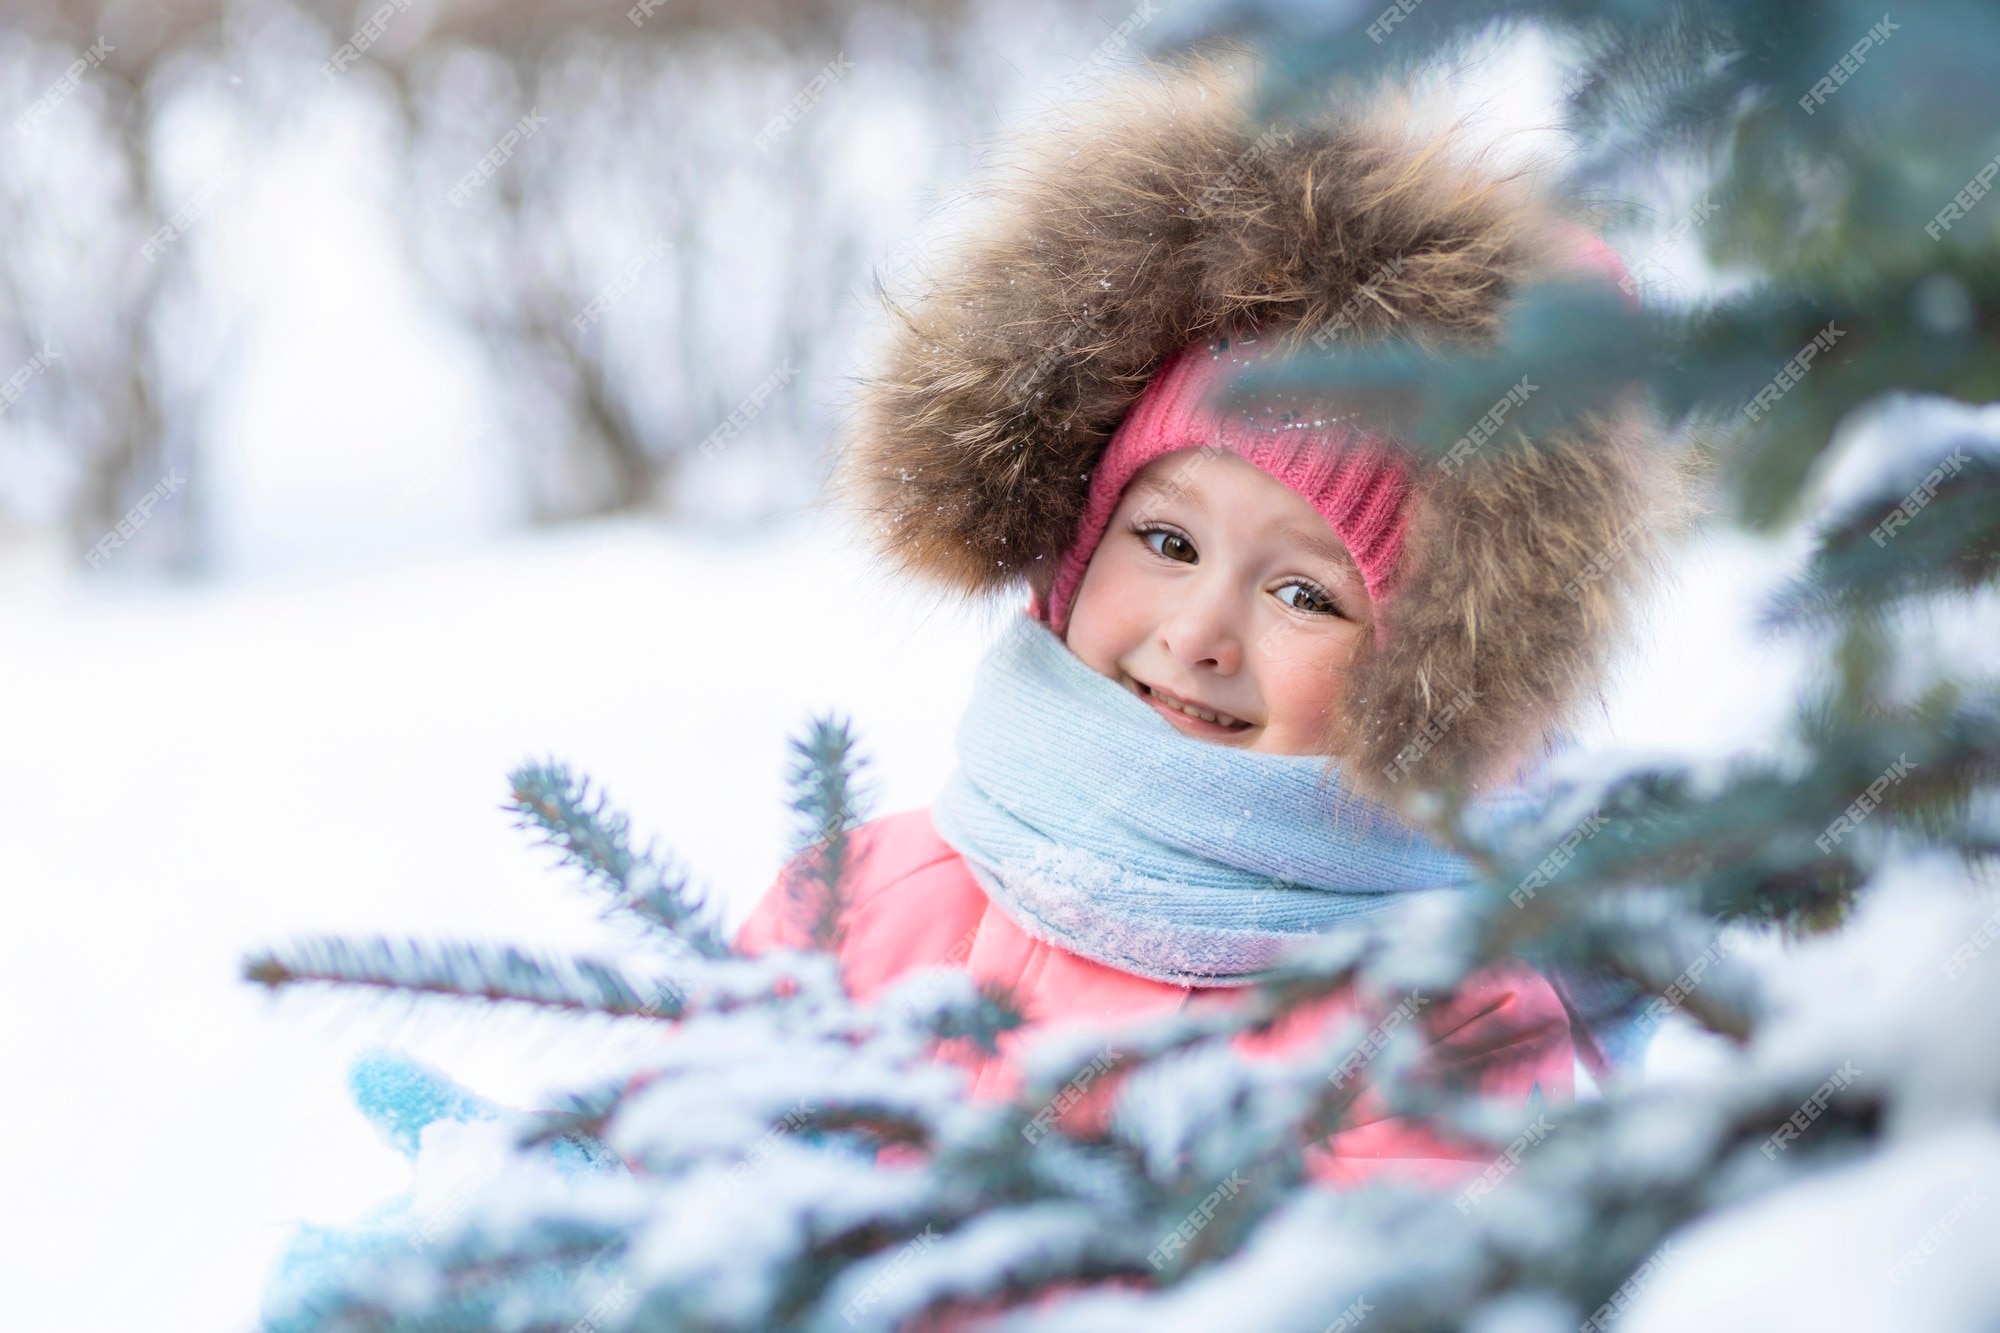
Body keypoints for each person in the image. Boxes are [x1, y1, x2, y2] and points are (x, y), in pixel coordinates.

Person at [734, 47, 1695, 1196]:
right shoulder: (864, 901)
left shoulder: (1434, 1036)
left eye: (1305, 594)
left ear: (1426, 671)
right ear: (1074, 551)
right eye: (1167, 542)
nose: (1198, 634)